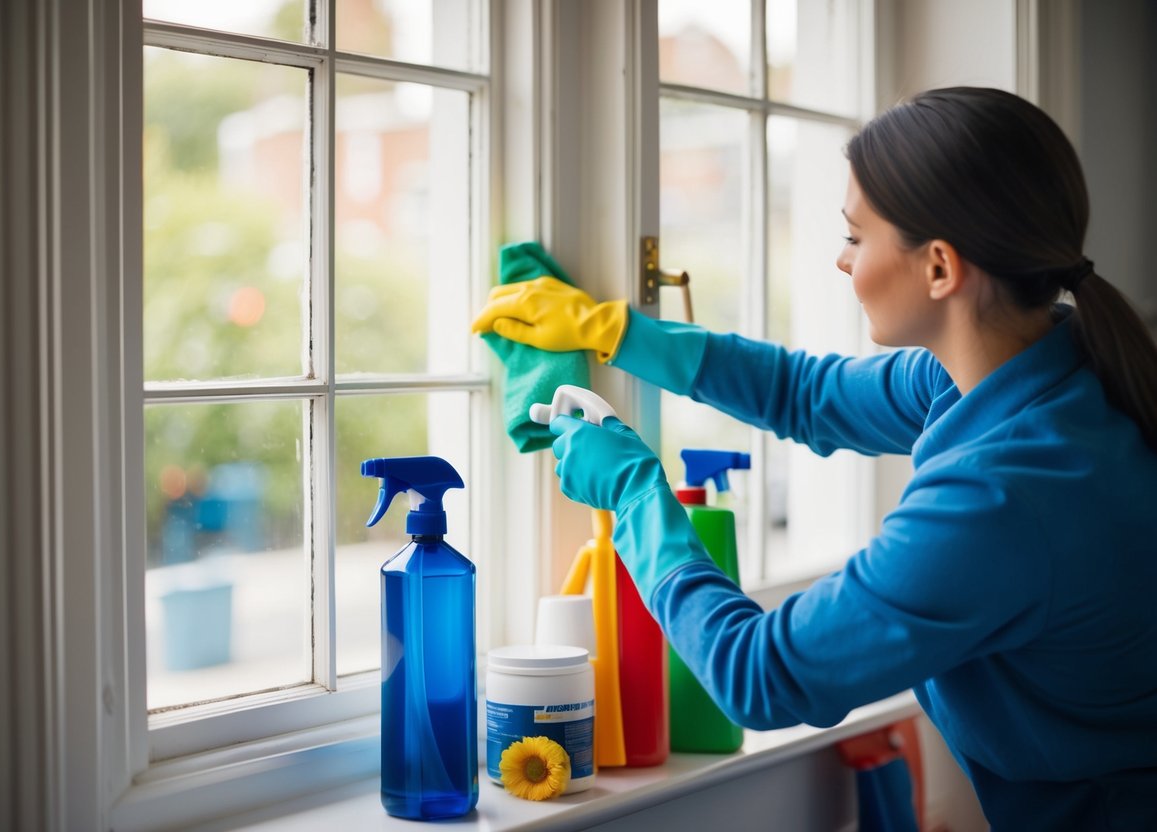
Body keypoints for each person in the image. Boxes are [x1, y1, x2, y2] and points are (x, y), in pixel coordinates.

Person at [471, 87, 1157, 829]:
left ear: (937, 269)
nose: (841, 259)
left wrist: (637, 495)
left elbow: (761, 677)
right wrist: (617, 332)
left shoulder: (1000, 499)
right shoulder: (1042, 367)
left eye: (856, 237)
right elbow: (807, 394)